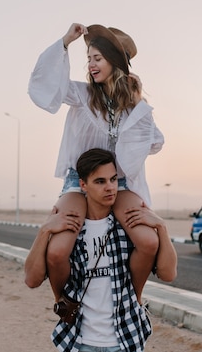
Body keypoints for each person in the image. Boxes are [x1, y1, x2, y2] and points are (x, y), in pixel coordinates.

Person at [28, 23, 164, 303]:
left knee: (149, 241)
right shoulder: (82, 95)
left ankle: (135, 300)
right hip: (78, 184)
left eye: (97, 58)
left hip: (119, 184)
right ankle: (62, 302)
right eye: (88, 58)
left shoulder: (135, 108)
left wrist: (134, 120)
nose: (90, 64)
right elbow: (48, 86)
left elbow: (155, 142)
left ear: (115, 63)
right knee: (57, 250)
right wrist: (65, 42)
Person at [24, 148, 178, 352]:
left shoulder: (128, 228)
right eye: (100, 181)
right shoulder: (70, 231)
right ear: (83, 185)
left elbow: (169, 274)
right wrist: (44, 230)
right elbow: (31, 280)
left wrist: (161, 227)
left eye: (113, 179)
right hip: (80, 341)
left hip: (125, 339)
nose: (110, 188)